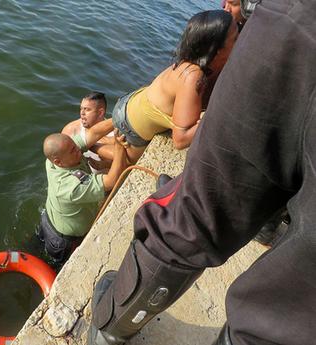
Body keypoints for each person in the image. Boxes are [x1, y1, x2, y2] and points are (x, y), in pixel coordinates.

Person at [88, 1, 316, 345]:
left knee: (195, 213)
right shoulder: (192, 76)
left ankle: (111, 327)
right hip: (132, 120)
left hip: (302, 30)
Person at [113, 10, 238, 164]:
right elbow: (180, 140)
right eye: (236, 38)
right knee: (122, 162)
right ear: (218, 51)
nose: (241, 40)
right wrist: (214, 117)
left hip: (131, 103)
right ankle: (96, 148)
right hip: (130, 126)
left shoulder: (195, 61)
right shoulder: (193, 76)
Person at [39, 119, 127, 263]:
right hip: (61, 242)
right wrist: (119, 148)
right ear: (58, 161)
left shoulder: (54, 159)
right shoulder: (70, 187)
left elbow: (93, 133)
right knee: (54, 266)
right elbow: (112, 180)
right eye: (73, 150)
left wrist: (120, 118)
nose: (78, 149)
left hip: (48, 219)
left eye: (74, 145)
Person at [62, 92, 114, 171]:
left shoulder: (114, 134)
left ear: (100, 113)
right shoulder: (71, 130)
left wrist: (105, 165)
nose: (82, 113)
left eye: (87, 109)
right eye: (81, 108)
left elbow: (123, 160)